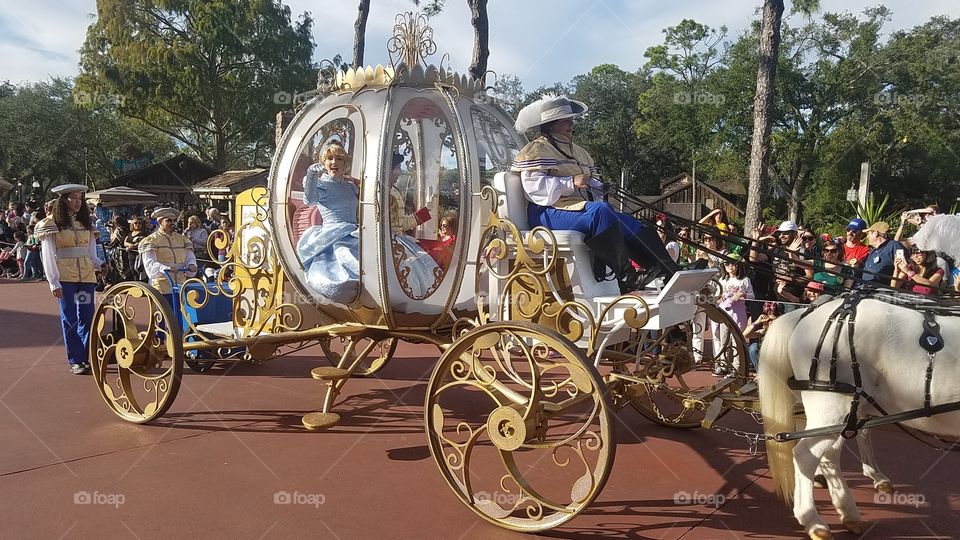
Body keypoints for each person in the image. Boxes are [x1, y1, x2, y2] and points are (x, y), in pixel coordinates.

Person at [511, 95, 679, 292]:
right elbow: (534, 187)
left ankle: (669, 270)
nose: (571, 123)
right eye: (566, 120)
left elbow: (588, 183)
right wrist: (570, 182)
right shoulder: (536, 149)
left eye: (571, 119)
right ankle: (625, 276)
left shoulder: (579, 152)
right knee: (601, 211)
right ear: (551, 124)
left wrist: (602, 187)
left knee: (629, 222)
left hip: (575, 209)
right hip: (545, 212)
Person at [36, 184, 105, 375]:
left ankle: (84, 356)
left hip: (86, 277)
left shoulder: (86, 223)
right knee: (70, 318)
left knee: (87, 316)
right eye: (73, 198)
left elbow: (91, 252)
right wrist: (53, 282)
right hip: (65, 278)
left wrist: (100, 264)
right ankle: (75, 359)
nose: (77, 202)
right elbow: (48, 255)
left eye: (80, 198)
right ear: (63, 200)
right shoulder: (51, 224)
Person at [296, 142, 362, 304]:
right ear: (323, 162)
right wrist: (311, 175)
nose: (334, 163)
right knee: (347, 257)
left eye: (339, 159)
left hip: (354, 231)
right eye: (329, 158)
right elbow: (310, 200)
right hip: (333, 235)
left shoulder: (351, 186)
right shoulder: (320, 184)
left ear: (344, 164)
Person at [387, 152, 441, 296]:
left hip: (398, 239)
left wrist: (426, 210)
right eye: (397, 167)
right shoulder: (384, 192)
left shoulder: (393, 191)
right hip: (389, 244)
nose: (399, 172)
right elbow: (400, 225)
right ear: (388, 169)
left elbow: (401, 224)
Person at [139, 208, 197, 306]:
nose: (172, 223)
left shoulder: (182, 239)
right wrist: (165, 268)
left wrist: (191, 265)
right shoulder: (151, 240)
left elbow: (190, 256)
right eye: (168, 220)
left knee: (181, 316)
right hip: (162, 287)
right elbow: (150, 264)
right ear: (160, 222)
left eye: (174, 220)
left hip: (180, 285)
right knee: (165, 317)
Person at [861, 221, 904, 287]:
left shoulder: (894, 246)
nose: (867, 237)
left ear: (875, 233)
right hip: (863, 288)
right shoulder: (873, 250)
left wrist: (893, 288)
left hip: (881, 291)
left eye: (868, 233)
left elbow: (903, 270)